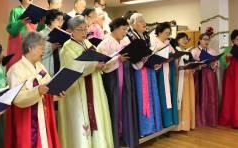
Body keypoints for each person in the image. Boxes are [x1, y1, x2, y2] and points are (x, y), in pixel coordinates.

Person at [58, 15, 113, 148]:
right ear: (71, 30)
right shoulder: (67, 47)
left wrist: (102, 63)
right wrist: (94, 66)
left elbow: (96, 59)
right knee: (81, 121)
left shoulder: (88, 43)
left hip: (94, 84)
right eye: (80, 29)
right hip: (78, 89)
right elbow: (72, 67)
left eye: (85, 29)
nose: (84, 32)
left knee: (98, 116)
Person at [5, 32, 61, 148]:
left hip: (43, 115)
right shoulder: (16, 70)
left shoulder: (40, 66)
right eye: (41, 48)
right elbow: (17, 99)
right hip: (26, 120)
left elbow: (49, 87)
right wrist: (37, 91)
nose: (44, 51)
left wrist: (57, 92)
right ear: (30, 48)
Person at [97, 17, 139, 148]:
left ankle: (127, 137)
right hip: (112, 79)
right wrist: (118, 59)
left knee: (127, 105)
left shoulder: (126, 41)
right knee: (114, 106)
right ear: (114, 28)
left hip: (126, 76)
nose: (125, 32)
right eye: (123, 29)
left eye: (127, 29)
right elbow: (102, 66)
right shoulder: (104, 44)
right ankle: (115, 139)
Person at [126, 13, 162, 136]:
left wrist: (154, 61)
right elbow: (133, 56)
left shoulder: (145, 36)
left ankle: (153, 126)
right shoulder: (129, 36)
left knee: (152, 95)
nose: (144, 23)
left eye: (144, 20)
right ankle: (145, 128)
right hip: (138, 71)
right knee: (143, 98)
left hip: (148, 69)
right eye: (140, 21)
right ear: (133, 24)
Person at [6, 0, 46, 70]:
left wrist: (42, 23)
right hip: (19, 42)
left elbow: (37, 30)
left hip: (32, 42)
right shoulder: (16, 11)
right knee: (19, 67)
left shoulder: (35, 11)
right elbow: (11, 30)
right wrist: (21, 23)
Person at [150, 22, 179, 128]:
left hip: (169, 70)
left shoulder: (168, 42)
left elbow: (173, 53)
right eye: (166, 33)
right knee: (161, 94)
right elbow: (152, 58)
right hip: (159, 72)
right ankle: (162, 121)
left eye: (169, 33)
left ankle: (170, 120)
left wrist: (174, 55)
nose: (168, 35)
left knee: (170, 94)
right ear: (159, 32)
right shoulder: (153, 42)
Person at [191, 31, 218, 127]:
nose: (207, 41)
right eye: (204, 39)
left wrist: (214, 64)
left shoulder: (212, 51)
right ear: (200, 40)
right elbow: (191, 65)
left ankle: (211, 119)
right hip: (199, 74)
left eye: (208, 39)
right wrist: (198, 64)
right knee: (200, 95)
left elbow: (216, 63)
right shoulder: (194, 51)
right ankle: (200, 120)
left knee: (211, 96)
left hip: (210, 75)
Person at [174, 33, 195, 131]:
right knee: (180, 99)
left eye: (186, 39)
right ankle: (179, 125)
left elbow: (192, 63)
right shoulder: (175, 51)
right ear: (177, 40)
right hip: (180, 77)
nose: (185, 41)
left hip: (188, 76)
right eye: (183, 39)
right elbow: (173, 65)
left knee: (188, 98)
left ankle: (187, 123)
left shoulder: (188, 52)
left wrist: (196, 66)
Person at [41, 9, 64, 76]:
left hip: (59, 71)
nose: (60, 22)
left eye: (62, 20)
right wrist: (51, 47)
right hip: (46, 71)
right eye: (58, 19)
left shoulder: (62, 34)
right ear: (51, 20)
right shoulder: (41, 35)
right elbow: (36, 55)